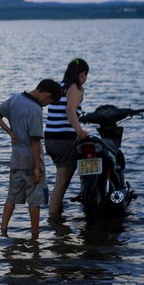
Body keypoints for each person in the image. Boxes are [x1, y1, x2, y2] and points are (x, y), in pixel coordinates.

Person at [0, 79, 62, 239]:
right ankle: (35, 236)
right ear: (46, 95)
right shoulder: (35, 109)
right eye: (50, 101)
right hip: (31, 160)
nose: (46, 105)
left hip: (16, 158)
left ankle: (3, 231)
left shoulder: (15, 98)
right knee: (35, 200)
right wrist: (37, 167)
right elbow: (35, 141)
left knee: (11, 197)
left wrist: (9, 131)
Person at [45, 58, 90, 217]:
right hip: (64, 141)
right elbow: (70, 111)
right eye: (86, 75)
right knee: (61, 184)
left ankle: (57, 211)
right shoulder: (75, 88)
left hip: (50, 140)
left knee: (59, 181)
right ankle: (53, 219)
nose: (85, 79)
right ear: (82, 74)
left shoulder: (59, 87)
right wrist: (80, 131)